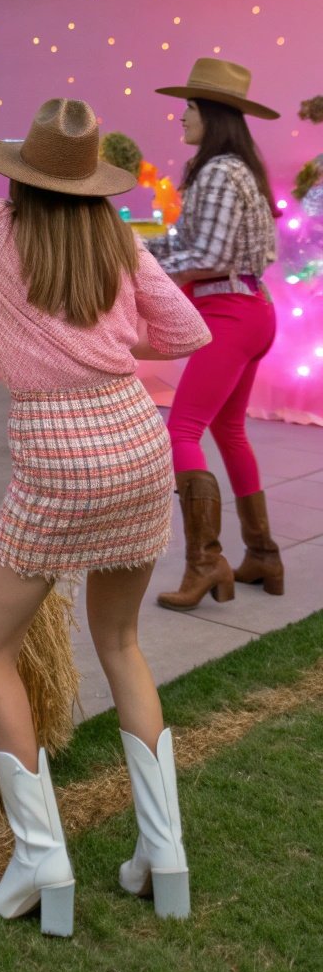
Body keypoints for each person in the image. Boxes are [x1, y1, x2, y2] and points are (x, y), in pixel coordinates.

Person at [0, 40, 210, 938]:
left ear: (20, 174)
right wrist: (107, 352)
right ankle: (164, 855)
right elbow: (184, 333)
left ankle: (41, 859)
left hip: (58, 453)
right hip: (137, 442)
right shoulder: (115, 240)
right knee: (122, 643)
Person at [146, 57, 282, 610]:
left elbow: (207, 253)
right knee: (228, 431)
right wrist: (144, 250)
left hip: (229, 310)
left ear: (213, 115)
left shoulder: (220, 171)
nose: (181, 118)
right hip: (250, 308)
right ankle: (263, 555)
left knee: (181, 430)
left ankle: (205, 562)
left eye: (190, 108)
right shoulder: (241, 170)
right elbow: (214, 248)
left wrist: (140, 253)